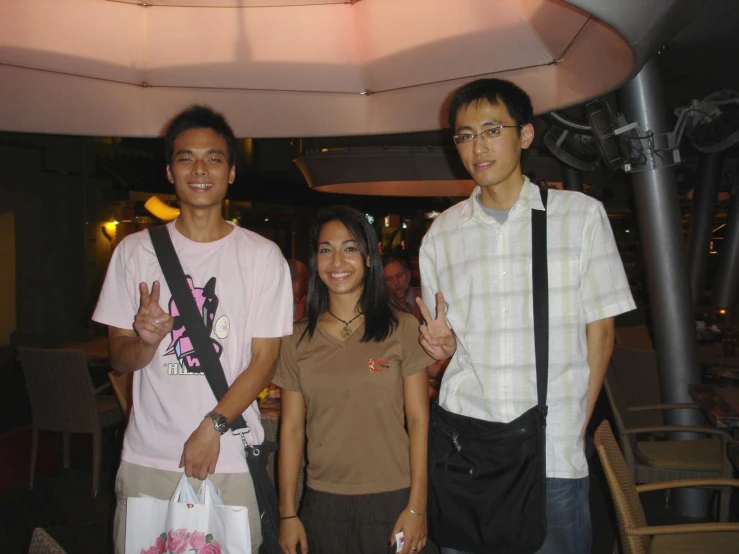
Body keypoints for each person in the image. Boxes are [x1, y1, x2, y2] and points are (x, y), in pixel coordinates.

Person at [417, 78, 635, 554]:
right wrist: (444, 347)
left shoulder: (580, 217)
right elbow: (454, 339)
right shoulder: (442, 235)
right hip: (467, 441)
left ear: (526, 135)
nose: (477, 146)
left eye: (492, 129)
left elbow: (601, 329)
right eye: (464, 134)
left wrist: (576, 422)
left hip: (550, 446)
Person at [93, 105, 293, 554]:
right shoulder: (134, 252)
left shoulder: (262, 257)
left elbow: (264, 362)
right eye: (186, 158)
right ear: (169, 170)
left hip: (231, 459)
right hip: (150, 456)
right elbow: (118, 356)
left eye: (214, 158)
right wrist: (144, 343)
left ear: (232, 172)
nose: (200, 169)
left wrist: (212, 428)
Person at [274, 206, 433, 554]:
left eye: (349, 248)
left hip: (394, 496)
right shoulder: (295, 339)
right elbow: (290, 429)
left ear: (368, 257)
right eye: (325, 250)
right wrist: (287, 513)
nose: (337, 261)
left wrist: (417, 506)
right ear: (315, 261)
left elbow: (420, 421)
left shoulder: (402, 328)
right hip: (322, 501)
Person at [383, 256, 423, 323]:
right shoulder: (382, 307)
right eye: (389, 279)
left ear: (408, 276)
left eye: (399, 275)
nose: (396, 283)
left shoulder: (424, 297)